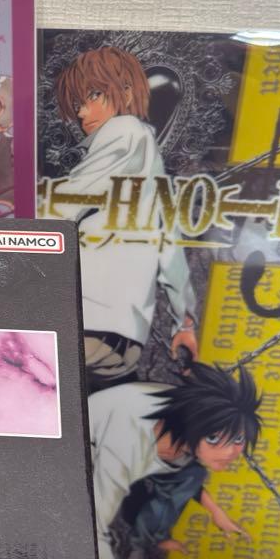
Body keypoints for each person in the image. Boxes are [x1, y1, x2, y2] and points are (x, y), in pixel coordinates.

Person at [51, 46, 199, 388]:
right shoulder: (150, 163)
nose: (82, 112)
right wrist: (185, 323)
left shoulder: (125, 130)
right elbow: (170, 247)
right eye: (77, 103)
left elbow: (62, 207)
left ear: (126, 92)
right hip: (123, 338)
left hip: (86, 321)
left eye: (93, 96)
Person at [89, 363, 260, 559]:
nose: (229, 452)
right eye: (214, 438)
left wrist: (216, 511)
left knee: (193, 475)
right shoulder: (126, 447)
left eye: (238, 439)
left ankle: (147, 540)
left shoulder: (192, 428)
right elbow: (92, 526)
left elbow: (188, 480)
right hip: (88, 446)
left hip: (158, 446)